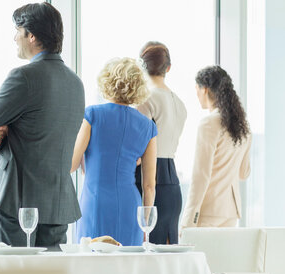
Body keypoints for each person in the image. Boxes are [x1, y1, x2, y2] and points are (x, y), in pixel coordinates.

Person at [0, 2, 85, 249]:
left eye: (18, 31)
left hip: (18, 202)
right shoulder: (75, 83)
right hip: (58, 204)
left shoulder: (23, 76)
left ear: (32, 35)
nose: (15, 38)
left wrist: (9, 134)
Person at [71, 57, 157, 246]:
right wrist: (145, 222)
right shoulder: (148, 127)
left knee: (91, 265)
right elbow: (149, 185)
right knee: (126, 269)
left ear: (107, 82)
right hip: (130, 207)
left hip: (95, 202)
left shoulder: (92, 115)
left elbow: (71, 164)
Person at [181, 66, 251, 228]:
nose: (197, 95)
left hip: (209, 210)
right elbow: (243, 173)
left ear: (204, 89)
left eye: (197, 89)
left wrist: (188, 220)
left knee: (202, 254)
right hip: (231, 211)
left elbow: (201, 175)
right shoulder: (243, 127)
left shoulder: (208, 123)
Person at [135, 42, 187, 244]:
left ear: (142, 66)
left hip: (149, 177)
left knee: (146, 249)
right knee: (167, 252)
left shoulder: (146, 98)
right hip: (172, 181)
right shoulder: (180, 104)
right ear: (168, 68)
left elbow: (139, 146)